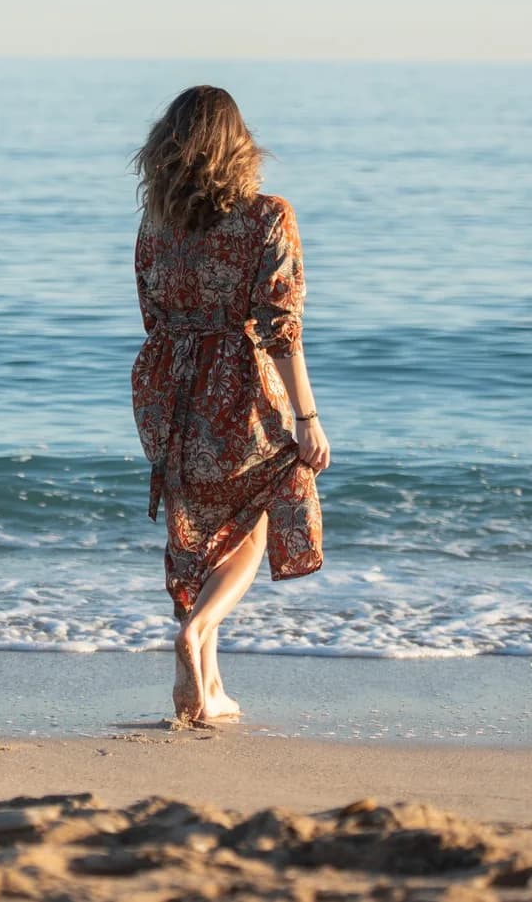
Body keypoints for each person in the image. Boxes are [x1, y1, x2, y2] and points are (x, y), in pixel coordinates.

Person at [129, 85, 329, 723]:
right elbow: (280, 328)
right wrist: (306, 418)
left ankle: (207, 688)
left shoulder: (157, 222)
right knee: (254, 514)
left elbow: (152, 310)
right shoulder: (267, 215)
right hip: (236, 381)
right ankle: (197, 629)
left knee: (193, 528)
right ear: (238, 144)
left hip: (166, 380)